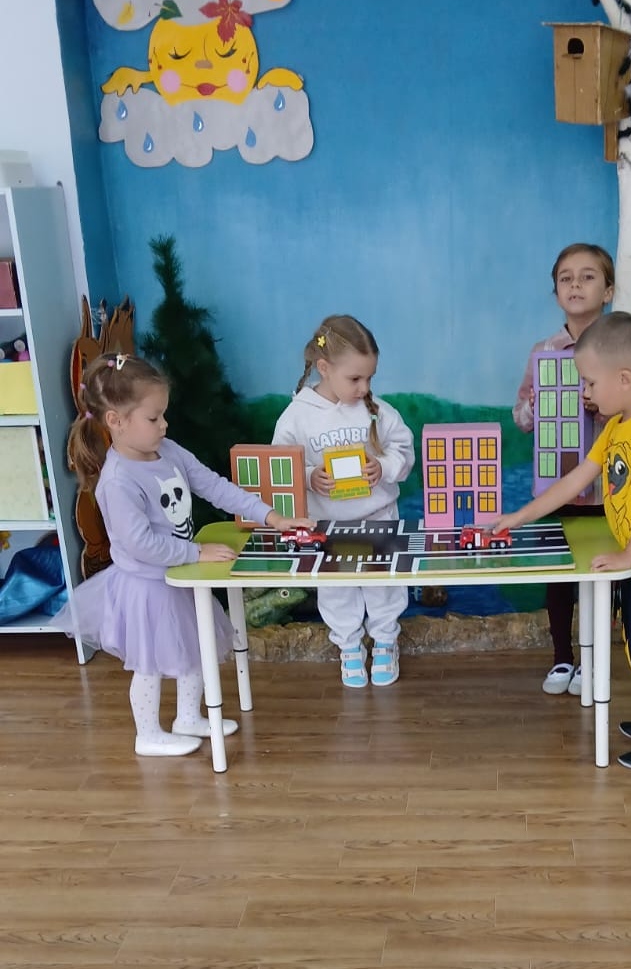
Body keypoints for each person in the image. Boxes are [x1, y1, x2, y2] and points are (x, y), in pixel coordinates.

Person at [57, 352, 310, 758]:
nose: (164, 425)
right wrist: (195, 551)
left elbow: (214, 486)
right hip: (148, 587)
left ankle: (188, 718)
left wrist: (270, 516)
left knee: (194, 650)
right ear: (116, 421)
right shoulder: (118, 481)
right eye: (153, 418)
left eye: (163, 415)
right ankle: (147, 734)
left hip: (179, 576)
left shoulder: (169, 451)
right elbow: (141, 543)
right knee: (150, 665)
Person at [497, 312, 631, 770]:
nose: (585, 392)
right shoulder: (617, 426)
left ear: (624, 378)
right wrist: (518, 517)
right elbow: (575, 480)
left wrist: (629, 554)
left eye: (589, 382)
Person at [272, 314, 415, 689]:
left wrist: (383, 467)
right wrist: (308, 476)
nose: (364, 387)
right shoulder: (297, 417)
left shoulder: (378, 411)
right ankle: (349, 647)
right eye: (355, 379)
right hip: (328, 525)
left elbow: (404, 451)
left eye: (369, 378)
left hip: (379, 518)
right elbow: (280, 463)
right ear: (324, 368)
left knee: (384, 585)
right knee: (337, 589)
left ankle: (385, 643)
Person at [512, 242, 615, 697]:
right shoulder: (544, 351)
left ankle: (594, 661)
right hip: (558, 487)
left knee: (601, 577)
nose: (576, 285)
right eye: (566, 278)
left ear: (608, 290)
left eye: (588, 276)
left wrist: (605, 407)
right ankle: (562, 656)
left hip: (609, 490)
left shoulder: (621, 347)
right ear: (555, 292)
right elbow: (520, 416)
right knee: (558, 576)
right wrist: (535, 407)